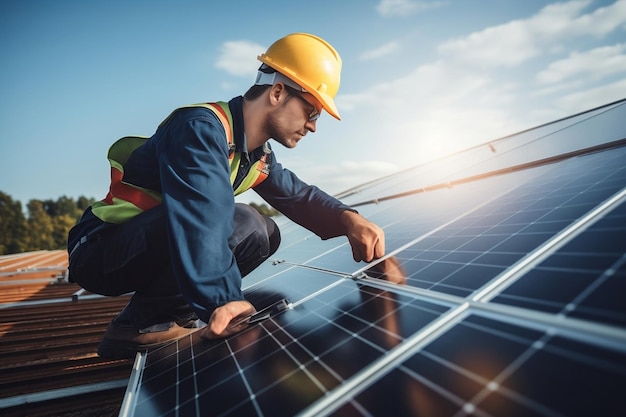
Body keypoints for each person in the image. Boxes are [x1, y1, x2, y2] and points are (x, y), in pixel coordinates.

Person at [67, 33, 385, 360]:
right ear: (278, 92)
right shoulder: (199, 128)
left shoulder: (255, 155)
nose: (313, 126)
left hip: (139, 245)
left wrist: (350, 220)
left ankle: (161, 317)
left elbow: (297, 194)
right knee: (241, 220)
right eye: (312, 112)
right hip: (99, 249)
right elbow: (202, 218)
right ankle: (139, 327)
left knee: (265, 232)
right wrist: (224, 300)